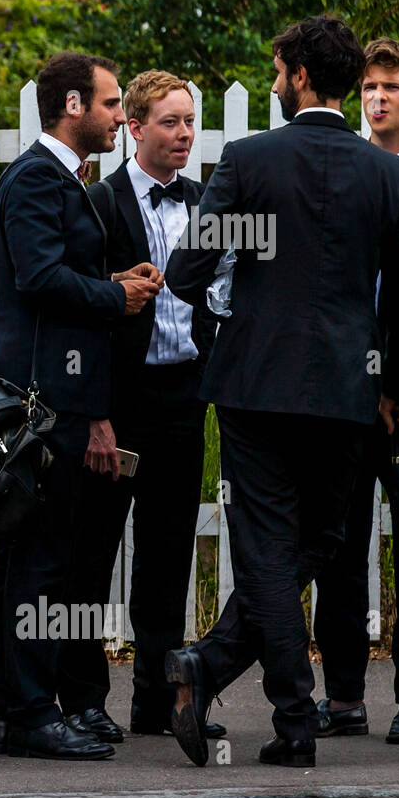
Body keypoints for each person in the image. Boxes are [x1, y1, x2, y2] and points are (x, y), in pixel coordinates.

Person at [164, 15, 399, 768]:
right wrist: (398, 384)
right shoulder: (389, 175)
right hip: (350, 391)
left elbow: (188, 272)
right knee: (317, 541)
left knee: (276, 547)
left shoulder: (250, 159)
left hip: (255, 385)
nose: (276, 83)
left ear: (302, 77)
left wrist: (242, 275)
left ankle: (237, 686)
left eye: (279, 72)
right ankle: (282, 713)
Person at [0, 52, 160, 761]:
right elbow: (40, 278)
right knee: (38, 563)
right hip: (42, 406)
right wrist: (115, 294)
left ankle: (17, 707)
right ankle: (25, 711)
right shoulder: (35, 178)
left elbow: (59, 275)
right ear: (76, 105)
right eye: (115, 105)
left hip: (55, 401)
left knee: (34, 558)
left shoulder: (55, 178)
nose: (122, 117)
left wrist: (111, 279)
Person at [69, 71, 225, 742]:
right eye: (169, 121)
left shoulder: (206, 200)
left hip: (183, 397)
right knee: (92, 553)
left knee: (168, 556)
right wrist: (96, 411)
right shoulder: (99, 204)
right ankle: (83, 703)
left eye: (190, 121)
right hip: (117, 404)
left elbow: (223, 292)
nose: (184, 133)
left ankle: (157, 708)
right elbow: (83, 315)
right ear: (134, 128)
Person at [313, 37, 399, 744]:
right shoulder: (348, 169)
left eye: (389, 87)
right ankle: (346, 698)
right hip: (349, 392)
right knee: (340, 550)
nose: (376, 100)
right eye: (366, 90)